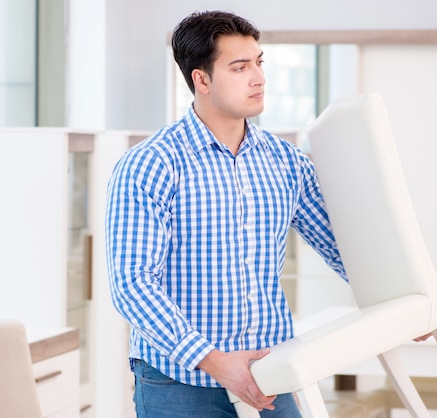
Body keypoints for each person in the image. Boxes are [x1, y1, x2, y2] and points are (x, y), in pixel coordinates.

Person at [105, 10, 347, 417]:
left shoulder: (287, 162)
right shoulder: (151, 164)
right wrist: (216, 362)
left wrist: (401, 297)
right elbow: (132, 284)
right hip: (179, 384)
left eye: (259, 63)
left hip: (272, 375)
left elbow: (342, 247)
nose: (258, 77)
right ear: (201, 80)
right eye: (239, 67)